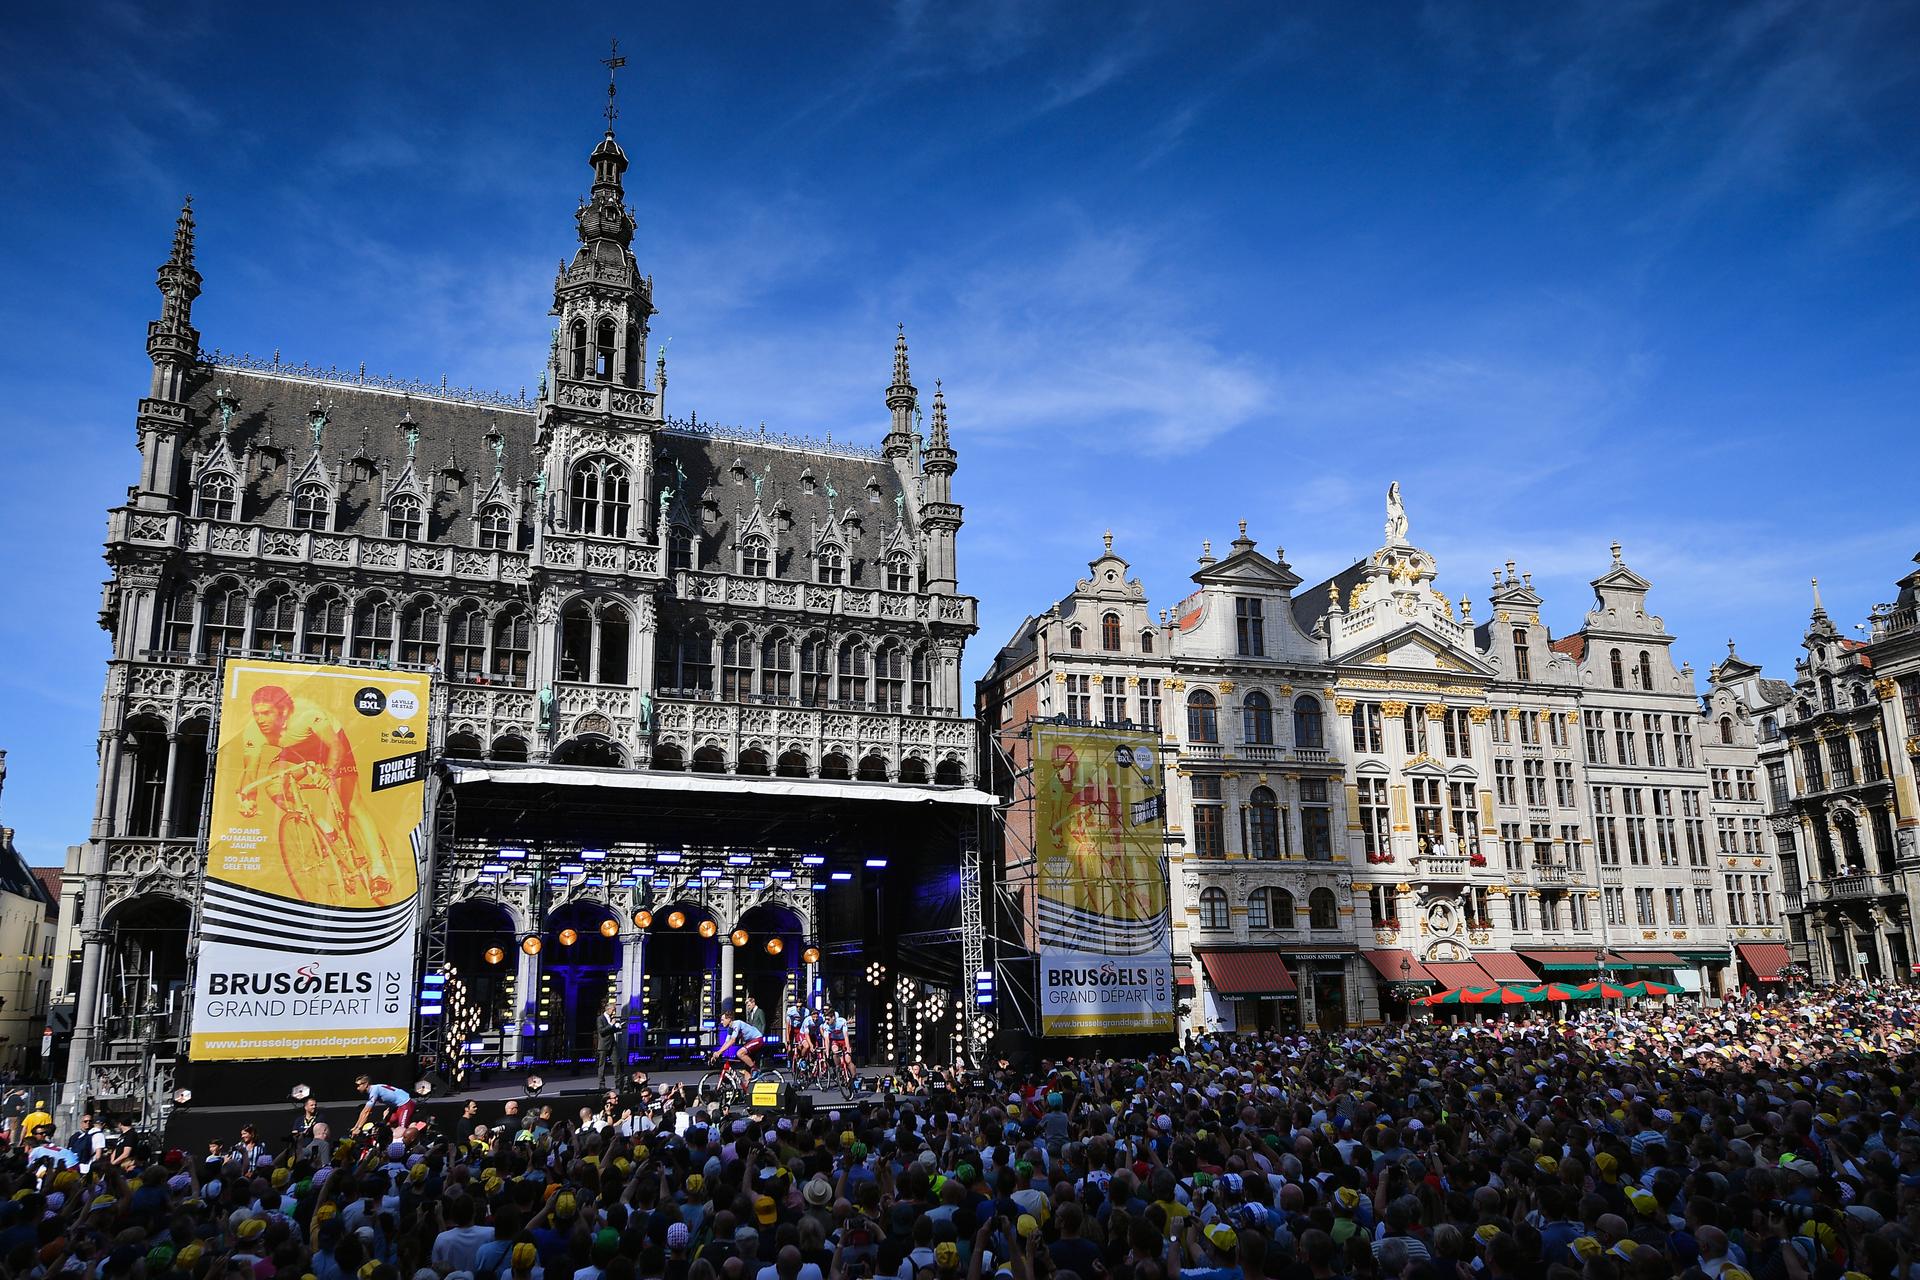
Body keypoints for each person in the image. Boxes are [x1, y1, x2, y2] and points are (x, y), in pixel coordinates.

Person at [711, 1006, 763, 1077]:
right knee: (747, 1070)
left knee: (740, 1053)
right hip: (750, 1042)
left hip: (757, 1039)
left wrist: (719, 1052)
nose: (721, 1022)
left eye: (722, 1020)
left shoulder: (737, 1024)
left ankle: (756, 1070)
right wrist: (718, 1053)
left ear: (729, 1019)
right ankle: (747, 1086)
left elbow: (732, 1041)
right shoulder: (729, 1029)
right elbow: (726, 1043)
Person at [350, 1074, 415, 1132]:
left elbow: (367, 1112)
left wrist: (359, 1128)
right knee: (388, 1123)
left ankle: (415, 1127)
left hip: (406, 1104)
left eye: (359, 1085)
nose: (357, 1088)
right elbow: (364, 1111)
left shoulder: (374, 1091)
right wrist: (355, 1127)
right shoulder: (374, 1089)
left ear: (366, 1084)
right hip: (397, 1106)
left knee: (402, 1129)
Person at [596, 997, 625, 1087]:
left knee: (616, 1063)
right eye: (613, 1010)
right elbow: (602, 1031)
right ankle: (601, 1084)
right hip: (603, 1045)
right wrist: (611, 1024)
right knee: (602, 1066)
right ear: (608, 1009)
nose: (614, 1012)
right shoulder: (600, 1019)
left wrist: (618, 1027)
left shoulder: (611, 1018)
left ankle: (618, 1083)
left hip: (612, 1044)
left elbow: (611, 1030)